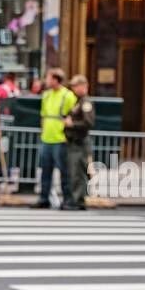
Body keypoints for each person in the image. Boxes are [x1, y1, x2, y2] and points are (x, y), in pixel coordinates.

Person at [36, 68, 77, 208]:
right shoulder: (46, 95)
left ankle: (67, 200)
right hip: (46, 139)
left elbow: (74, 116)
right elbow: (43, 116)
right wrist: (42, 133)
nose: (46, 80)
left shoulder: (68, 95)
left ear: (55, 79)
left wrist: (68, 135)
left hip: (60, 139)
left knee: (64, 172)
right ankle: (43, 198)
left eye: (48, 77)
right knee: (45, 172)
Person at [62, 75, 95, 211]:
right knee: (73, 171)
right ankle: (75, 199)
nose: (73, 89)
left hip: (80, 142)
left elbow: (88, 122)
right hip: (73, 142)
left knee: (78, 172)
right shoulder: (78, 102)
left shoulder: (86, 102)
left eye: (75, 86)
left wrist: (72, 124)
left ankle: (78, 200)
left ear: (83, 86)